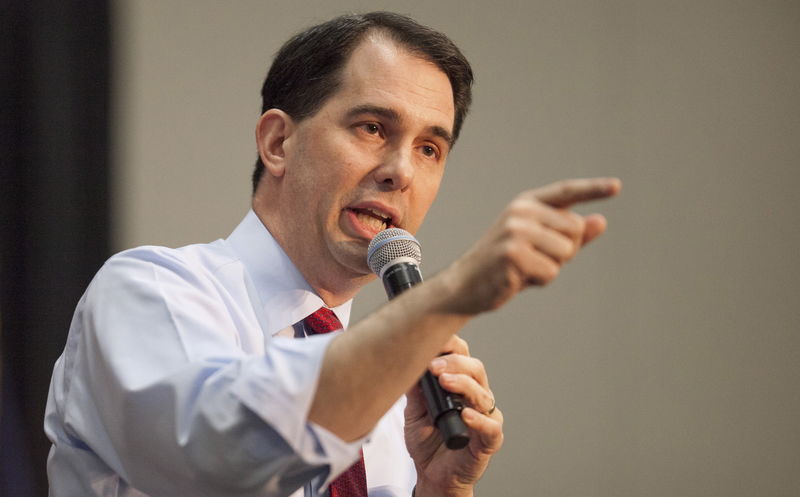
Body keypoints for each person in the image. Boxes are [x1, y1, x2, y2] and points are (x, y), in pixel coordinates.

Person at [44, 11, 620, 497]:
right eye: (372, 128)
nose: (401, 171)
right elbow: (218, 459)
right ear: (277, 142)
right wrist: (446, 297)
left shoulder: (400, 401)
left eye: (429, 148)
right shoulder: (148, 291)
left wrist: (438, 491)